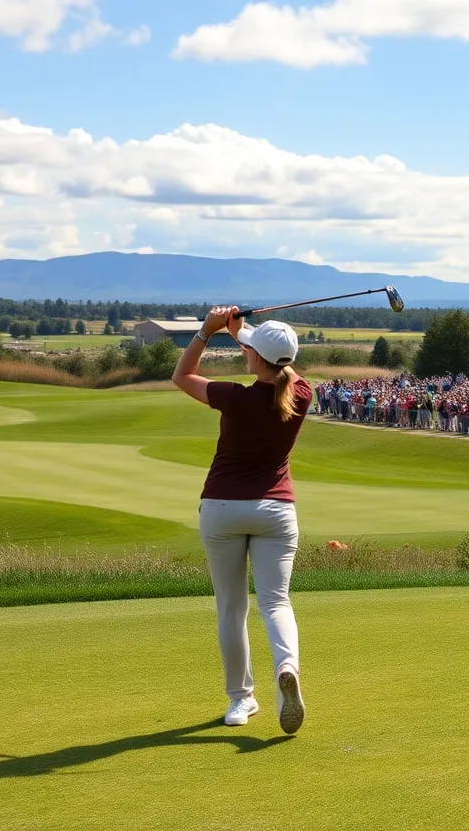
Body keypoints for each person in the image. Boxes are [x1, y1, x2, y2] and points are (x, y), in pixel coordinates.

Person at [171, 307, 311, 735]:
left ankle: (240, 700)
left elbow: (182, 376)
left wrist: (207, 331)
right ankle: (286, 667)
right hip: (276, 511)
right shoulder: (302, 393)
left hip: (223, 509)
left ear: (253, 357)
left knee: (231, 608)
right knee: (276, 603)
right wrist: (242, 335)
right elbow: (275, 362)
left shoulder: (234, 395)